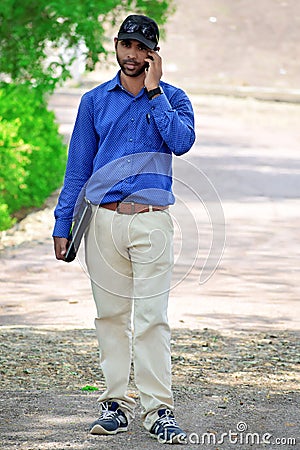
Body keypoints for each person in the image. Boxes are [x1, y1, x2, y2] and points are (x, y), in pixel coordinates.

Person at [53, 14, 195, 445]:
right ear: (116, 46)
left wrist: (154, 92)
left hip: (152, 223)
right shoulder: (95, 101)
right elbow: (78, 168)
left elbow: (181, 141)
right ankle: (116, 404)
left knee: (152, 319)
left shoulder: (174, 99)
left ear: (154, 54)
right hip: (104, 222)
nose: (132, 55)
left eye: (141, 48)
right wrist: (64, 222)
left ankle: (158, 411)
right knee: (111, 317)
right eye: (126, 46)